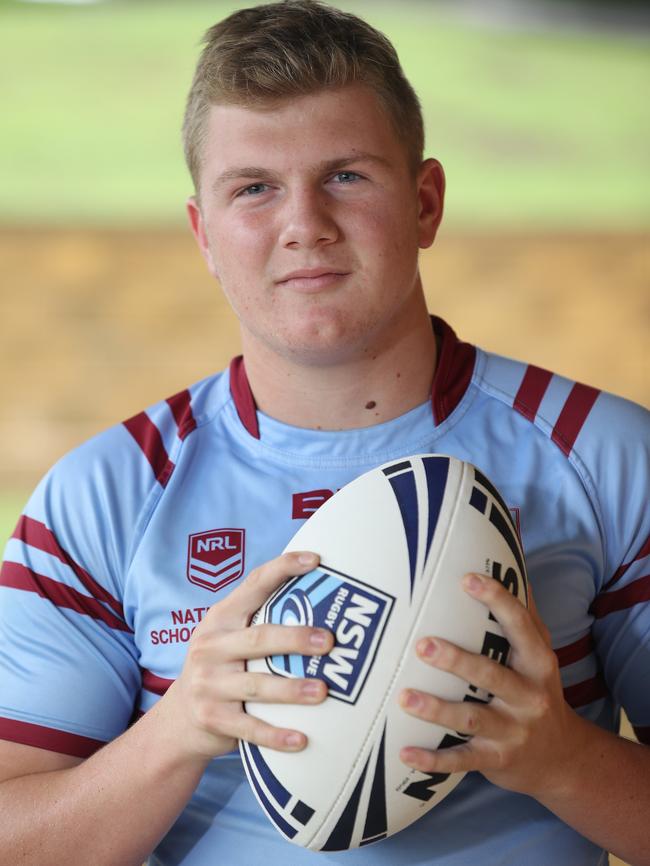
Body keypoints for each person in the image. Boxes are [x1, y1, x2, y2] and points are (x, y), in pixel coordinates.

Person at [0, 2, 648, 864]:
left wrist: (564, 762)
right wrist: (177, 732)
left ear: (425, 202)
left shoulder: (609, 459)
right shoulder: (103, 495)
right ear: (204, 234)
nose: (304, 223)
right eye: (253, 188)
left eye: (346, 176)